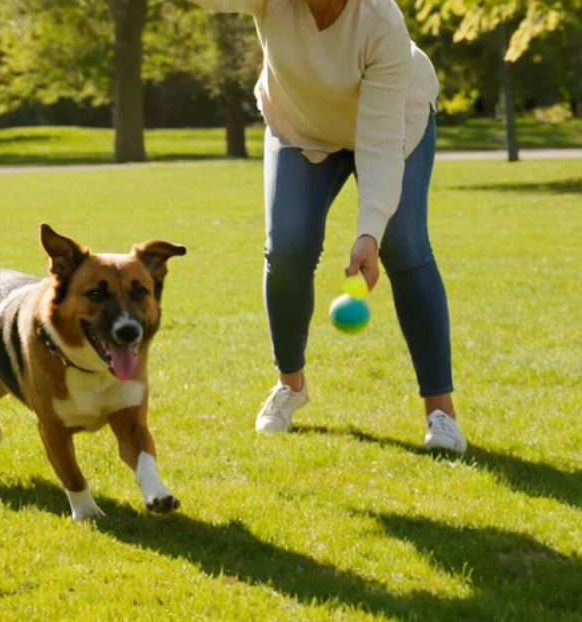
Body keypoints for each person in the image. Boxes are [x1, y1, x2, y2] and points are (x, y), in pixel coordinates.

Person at [188, 0, 467, 452]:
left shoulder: (381, 22)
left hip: (394, 121)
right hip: (300, 122)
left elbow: (378, 140)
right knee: (288, 247)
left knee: (404, 246)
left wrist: (369, 232)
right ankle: (290, 385)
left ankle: (441, 412)